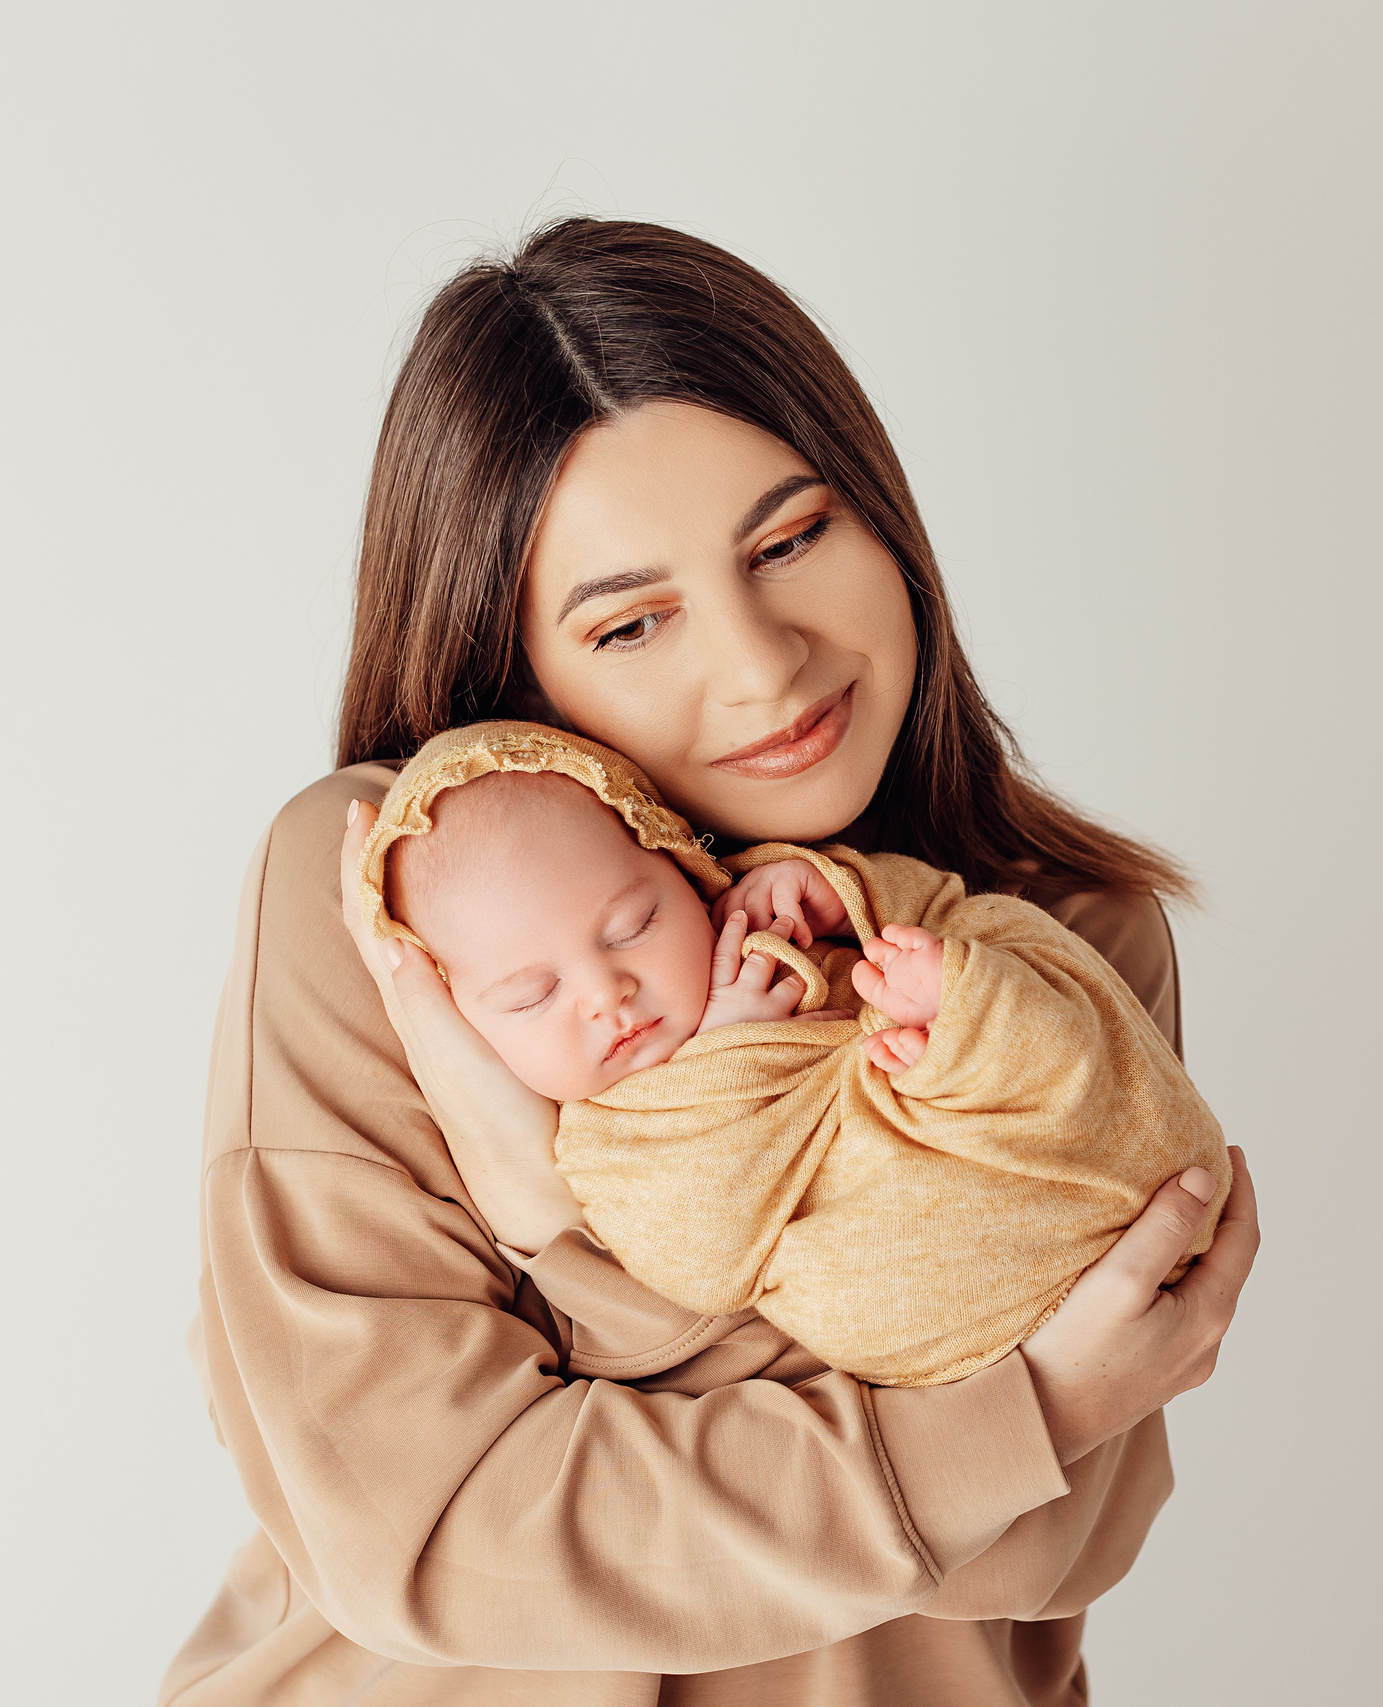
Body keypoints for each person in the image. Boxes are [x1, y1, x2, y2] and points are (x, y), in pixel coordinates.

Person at [164, 216, 1260, 1705]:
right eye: (631, 620)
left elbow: (1048, 1548)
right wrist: (1023, 1405)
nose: (761, 664)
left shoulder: (1050, 945)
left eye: (793, 538)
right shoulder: (396, 896)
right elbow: (430, 1530)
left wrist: (553, 1220)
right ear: (516, 664)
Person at [358, 719, 1230, 1389]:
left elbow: (941, 902)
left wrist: (837, 894)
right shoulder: (610, 1137)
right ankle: (960, 1033)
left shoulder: (758, 924)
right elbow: (697, 1256)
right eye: (530, 995)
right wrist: (726, 1054)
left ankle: (965, 1018)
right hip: (941, 1279)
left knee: (994, 948)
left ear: (688, 872)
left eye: (635, 925)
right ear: (468, 1018)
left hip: (1080, 1165)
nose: (605, 993)